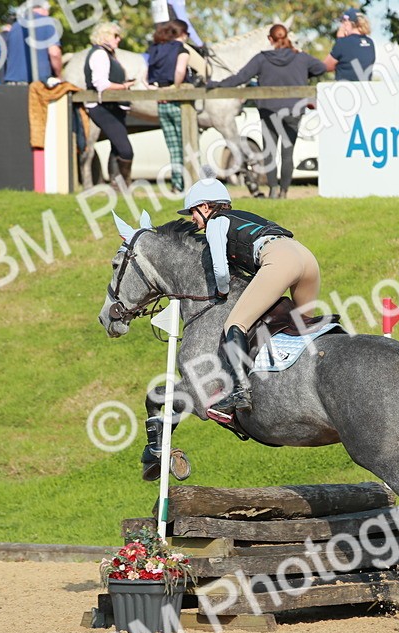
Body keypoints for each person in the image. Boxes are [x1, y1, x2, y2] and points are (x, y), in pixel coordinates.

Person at [177, 176, 321, 413]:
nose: (191, 218)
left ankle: (240, 390)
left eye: (192, 211)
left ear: (205, 207)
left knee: (235, 323)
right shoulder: (242, 216)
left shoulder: (215, 223)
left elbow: (221, 271)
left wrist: (222, 291)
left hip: (280, 259)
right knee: (303, 328)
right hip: (306, 257)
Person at [210, 24, 326, 199]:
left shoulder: (262, 58)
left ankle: (272, 190)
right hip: (293, 111)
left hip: (268, 111)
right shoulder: (301, 57)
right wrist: (302, 74)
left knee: (269, 152)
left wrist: (216, 85)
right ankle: (284, 192)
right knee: (288, 152)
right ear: (287, 37)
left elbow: (240, 78)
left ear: (270, 39)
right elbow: (321, 68)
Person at [84, 21, 136, 187]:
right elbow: (101, 84)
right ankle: (122, 185)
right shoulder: (100, 54)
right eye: (115, 36)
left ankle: (117, 184)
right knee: (126, 150)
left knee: (117, 147)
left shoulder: (109, 54)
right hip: (102, 106)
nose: (119, 39)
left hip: (113, 106)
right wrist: (124, 86)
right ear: (105, 36)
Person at [147, 20, 192, 191]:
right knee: (186, 144)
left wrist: (158, 89)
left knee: (173, 147)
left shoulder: (155, 48)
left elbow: (146, 76)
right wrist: (174, 88)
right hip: (178, 102)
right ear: (181, 33)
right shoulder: (181, 49)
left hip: (161, 102)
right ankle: (189, 183)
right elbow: (180, 71)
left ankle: (176, 184)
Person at [1, 0, 63, 85]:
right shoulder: (47, 22)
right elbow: (54, 53)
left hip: (11, 84)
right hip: (38, 84)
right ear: (44, 9)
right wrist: (59, 75)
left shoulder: (15, 26)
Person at [324, 8, 375, 81]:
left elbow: (325, 67)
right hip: (365, 90)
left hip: (345, 90)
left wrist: (340, 39)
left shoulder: (343, 42)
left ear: (347, 23)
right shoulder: (370, 43)